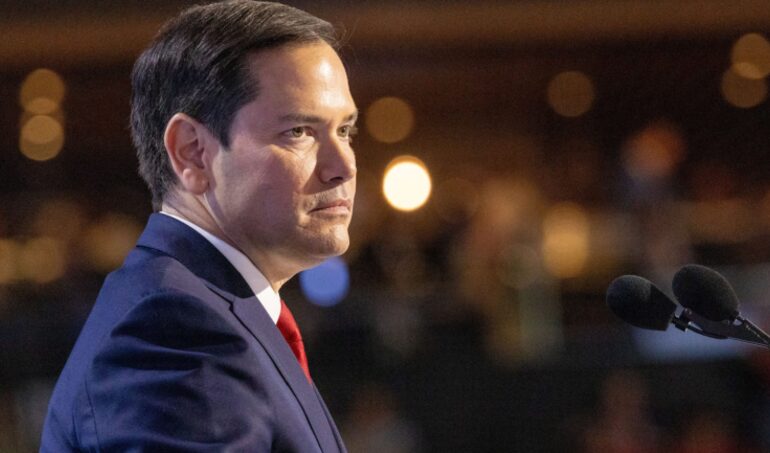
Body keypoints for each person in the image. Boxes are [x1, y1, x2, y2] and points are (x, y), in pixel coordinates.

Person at [40, 1, 357, 451]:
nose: (343, 166)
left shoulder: (208, 308)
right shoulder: (172, 329)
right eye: (299, 132)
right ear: (192, 152)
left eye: (345, 131)